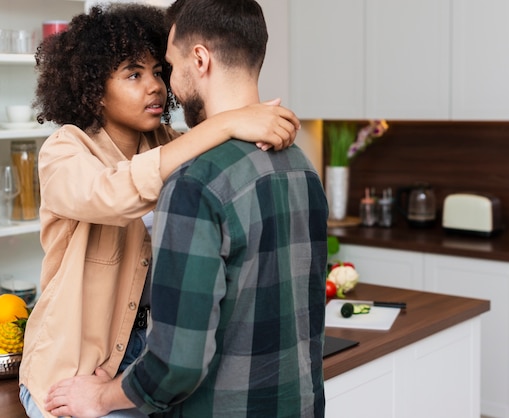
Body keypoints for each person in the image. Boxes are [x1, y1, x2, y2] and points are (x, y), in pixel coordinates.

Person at [44, 0, 328, 417]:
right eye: (134, 74)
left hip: (169, 378)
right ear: (92, 89)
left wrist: (237, 122)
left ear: (199, 59)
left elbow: (176, 364)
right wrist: (230, 122)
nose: (160, 86)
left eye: (163, 69)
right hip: (81, 366)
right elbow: (111, 192)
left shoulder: (187, 166)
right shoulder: (302, 167)